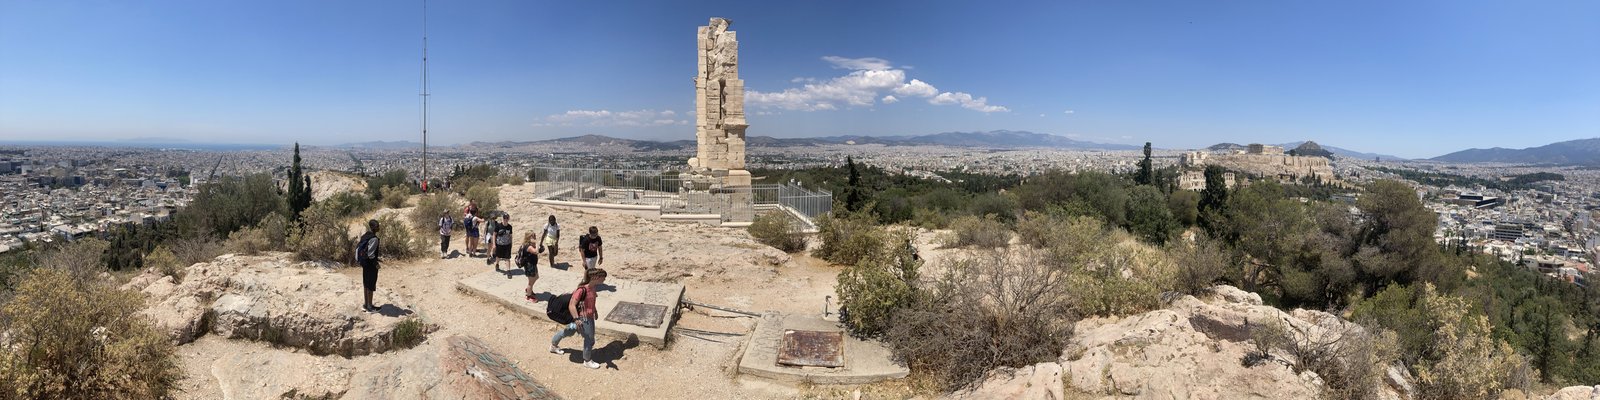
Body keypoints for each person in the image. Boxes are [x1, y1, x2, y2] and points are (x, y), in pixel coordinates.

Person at [551, 268, 607, 369]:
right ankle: (587, 360)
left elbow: (592, 301)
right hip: (582, 319)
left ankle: (553, 345)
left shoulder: (593, 288)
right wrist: (577, 319)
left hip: (588, 317)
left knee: (568, 332)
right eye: (603, 277)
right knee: (589, 339)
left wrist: (595, 311)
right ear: (595, 277)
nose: (604, 279)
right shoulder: (581, 290)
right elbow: (571, 305)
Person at [355, 219, 381, 312]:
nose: (378, 228)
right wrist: (376, 264)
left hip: (364, 263)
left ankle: (366, 304)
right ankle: (370, 307)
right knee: (371, 285)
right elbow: (370, 254)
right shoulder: (374, 239)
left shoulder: (365, 235)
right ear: (373, 227)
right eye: (377, 226)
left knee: (366, 283)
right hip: (370, 265)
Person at [516, 232, 542, 301]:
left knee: (536, 277)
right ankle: (528, 295)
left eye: (535, 235)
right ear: (528, 237)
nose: (534, 237)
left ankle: (529, 289)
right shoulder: (528, 246)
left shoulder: (530, 245)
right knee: (531, 281)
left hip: (532, 264)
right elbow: (536, 252)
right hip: (529, 266)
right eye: (533, 236)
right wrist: (537, 243)